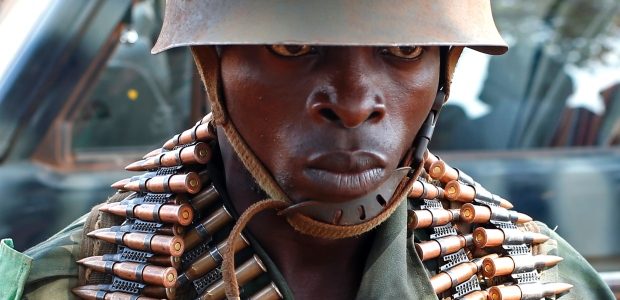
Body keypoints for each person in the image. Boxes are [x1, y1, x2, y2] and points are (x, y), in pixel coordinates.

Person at [1, 1, 614, 299]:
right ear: (213, 64)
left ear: (444, 68)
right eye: (292, 47)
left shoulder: (543, 274)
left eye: (403, 50)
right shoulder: (71, 283)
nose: (352, 101)